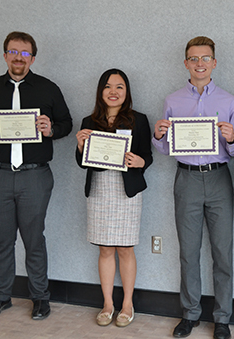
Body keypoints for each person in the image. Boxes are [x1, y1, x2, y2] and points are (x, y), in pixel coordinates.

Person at [0, 31, 72, 320]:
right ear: (5, 56)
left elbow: (66, 123)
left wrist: (51, 129)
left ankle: (40, 297)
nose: (18, 57)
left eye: (24, 53)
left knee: (33, 238)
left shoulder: (48, 88)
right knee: (2, 241)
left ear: (33, 58)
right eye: (13, 52)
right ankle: (1, 297)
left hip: (35, 177)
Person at [152, 36, 234, 339]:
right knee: (189, 252)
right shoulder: (172, 100)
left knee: (223, 252)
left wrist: (231, 138)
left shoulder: (228, 101)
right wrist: (159, 134)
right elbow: (164, 150)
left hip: (219, 179)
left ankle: (222, 318)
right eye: (194, 58)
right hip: (187, 178)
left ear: (214, 63)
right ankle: (190, 313)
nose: (200, 63)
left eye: (205, 58)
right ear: (186, 63)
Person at [76, 69, 152, 327]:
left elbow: (147, 157)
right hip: (99, 188)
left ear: (126, 92)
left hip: (127, 190)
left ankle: (127, 303)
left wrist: (141, 162)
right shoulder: (89, 120)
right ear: (100, 91)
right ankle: (108, 304)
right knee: (105, 248)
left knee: (125, 248)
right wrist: (79, 146)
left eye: (119, 87)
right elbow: (81, 162)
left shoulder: (139, 120)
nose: (113, 92)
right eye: (108, 86)